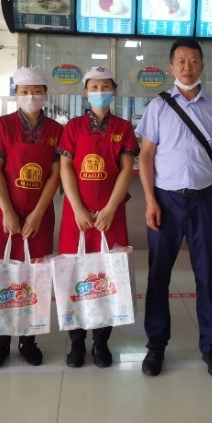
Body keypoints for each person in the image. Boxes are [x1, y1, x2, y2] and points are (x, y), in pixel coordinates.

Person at [136, 38, 212, 380]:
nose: (187, 67)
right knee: (158, 275)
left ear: (202, 66)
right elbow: (146, 156)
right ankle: (156, 345)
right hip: (165, 200)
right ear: (171, 67)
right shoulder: (158, 106)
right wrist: (150, 199)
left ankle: (211, 346)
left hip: (205, 200)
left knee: (207, 275)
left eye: (193, 61)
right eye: (181, 61)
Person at [0, 67, 63, 370]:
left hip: (39, 213)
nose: (31, 97)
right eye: (25, 92)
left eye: (37, 91)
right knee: (1, 274)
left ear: (45, 94)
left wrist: (37, 213)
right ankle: (0, 342)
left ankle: (29, 339)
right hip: (2, 214)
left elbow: (55, 175)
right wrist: (8, 212)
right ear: (16, 94)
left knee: (33, 276)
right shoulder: (2, 126)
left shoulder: (55, 130)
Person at [58, 67, 139, 368]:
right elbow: (65, 168)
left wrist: (110, 208)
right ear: (85, 91)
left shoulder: (123, 127)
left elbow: (126, 169)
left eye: (105, 86)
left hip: (110, 215)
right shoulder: (73, 127)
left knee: (108, 275)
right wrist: (78, 208)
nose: (100, 91)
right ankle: (77, 341)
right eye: (94, 87)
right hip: (76, 216)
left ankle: (101, 341)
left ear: (114, 91)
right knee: (75, 274)